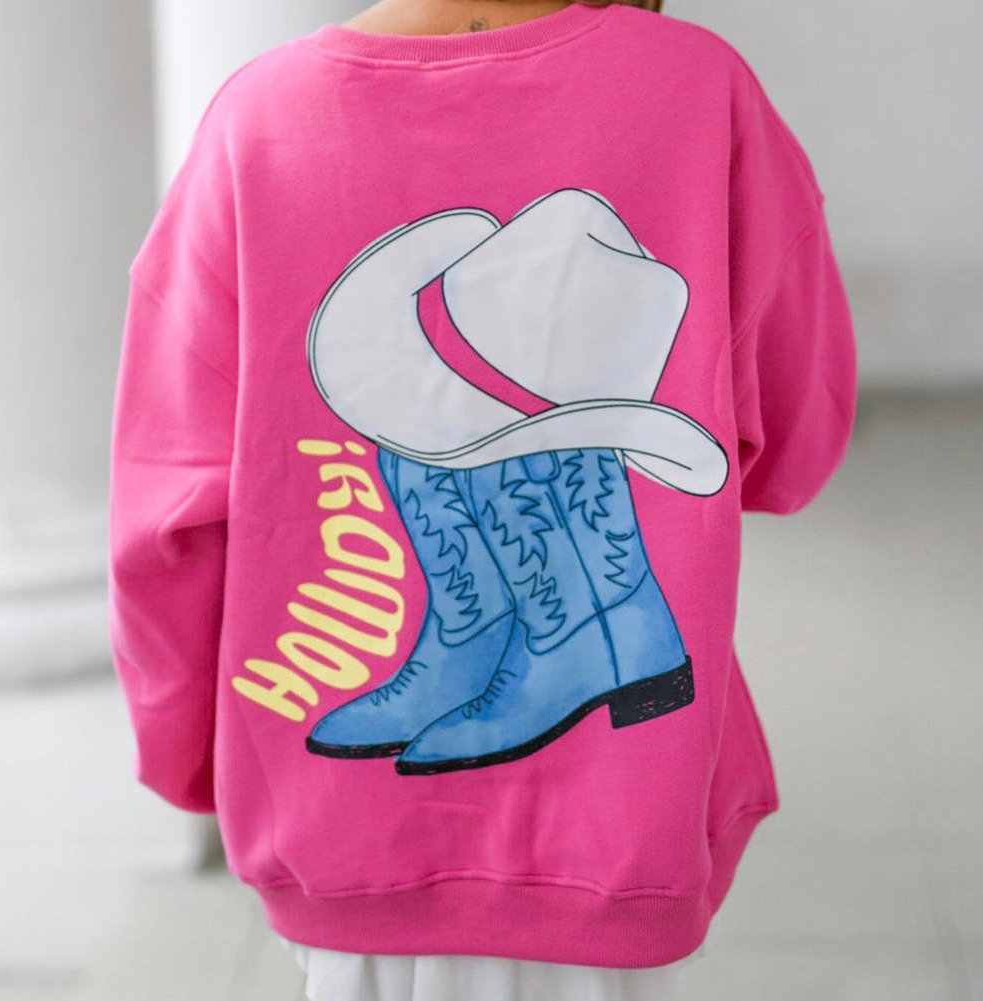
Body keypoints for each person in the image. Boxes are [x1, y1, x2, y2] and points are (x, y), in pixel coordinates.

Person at [108, 0, 857, 999]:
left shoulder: (262, 116)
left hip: (336, 839)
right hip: (633, 819)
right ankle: (558, 639)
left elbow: (161, 513)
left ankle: (551, 640)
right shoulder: (697, 87)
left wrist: (193, 751)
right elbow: (796, 435)